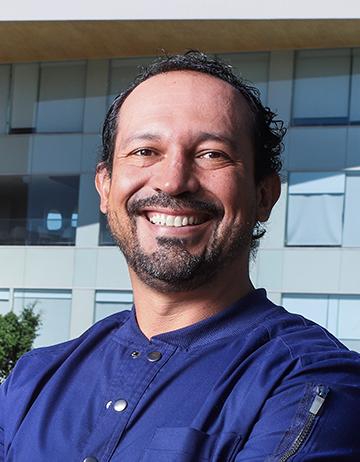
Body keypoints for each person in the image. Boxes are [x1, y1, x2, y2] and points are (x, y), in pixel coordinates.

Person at [0, 51, 359, 462]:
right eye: (145, 151)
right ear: (105, 187)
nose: (173, 181)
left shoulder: (314, 382)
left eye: (212, 154)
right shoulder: (31, 381)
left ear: (264, 196)